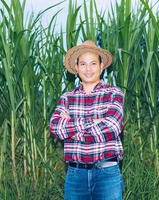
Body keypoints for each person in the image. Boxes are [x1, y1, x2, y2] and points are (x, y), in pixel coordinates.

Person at [49, 40, 124, 200]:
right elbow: (56, 128)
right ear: (76, 68)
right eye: (83, 64)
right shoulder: (67, 98)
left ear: (101, 66)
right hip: (75, 175)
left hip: (107, 173)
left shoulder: (113, 93)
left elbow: (112, 127)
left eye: (93, 63)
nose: (88, 69)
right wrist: (96, 121)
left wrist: (72, 129)